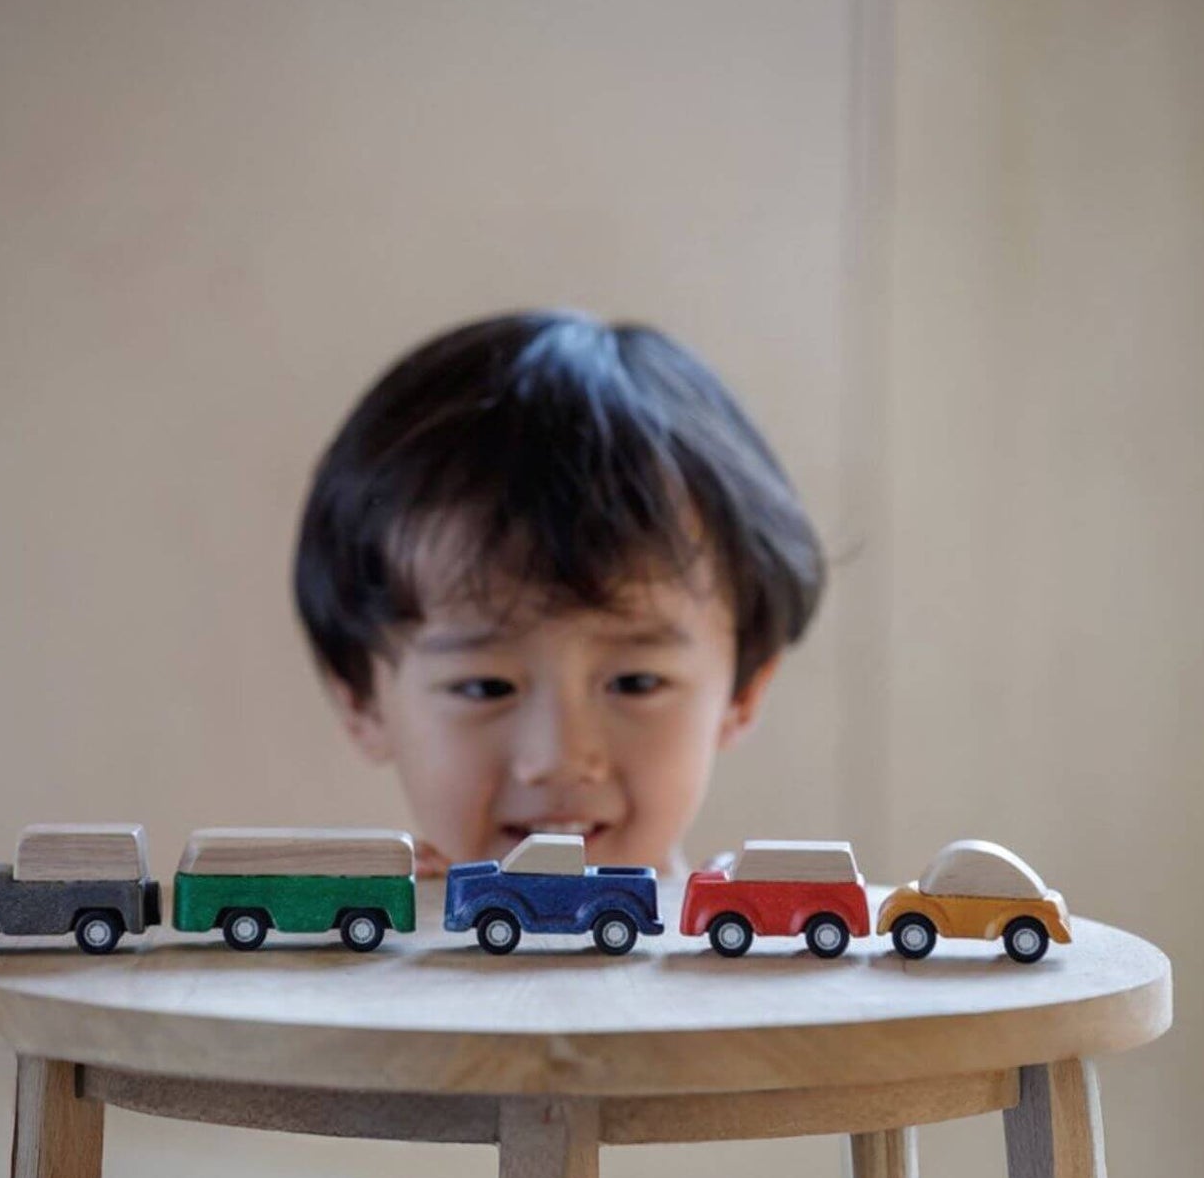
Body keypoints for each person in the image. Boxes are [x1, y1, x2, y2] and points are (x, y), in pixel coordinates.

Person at [293, 310, 824, 880]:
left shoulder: (742, 959)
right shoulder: (350, 960)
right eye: (485, 687)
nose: (559, 760)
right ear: (360, 701)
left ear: (741, 693)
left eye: (635, 682)